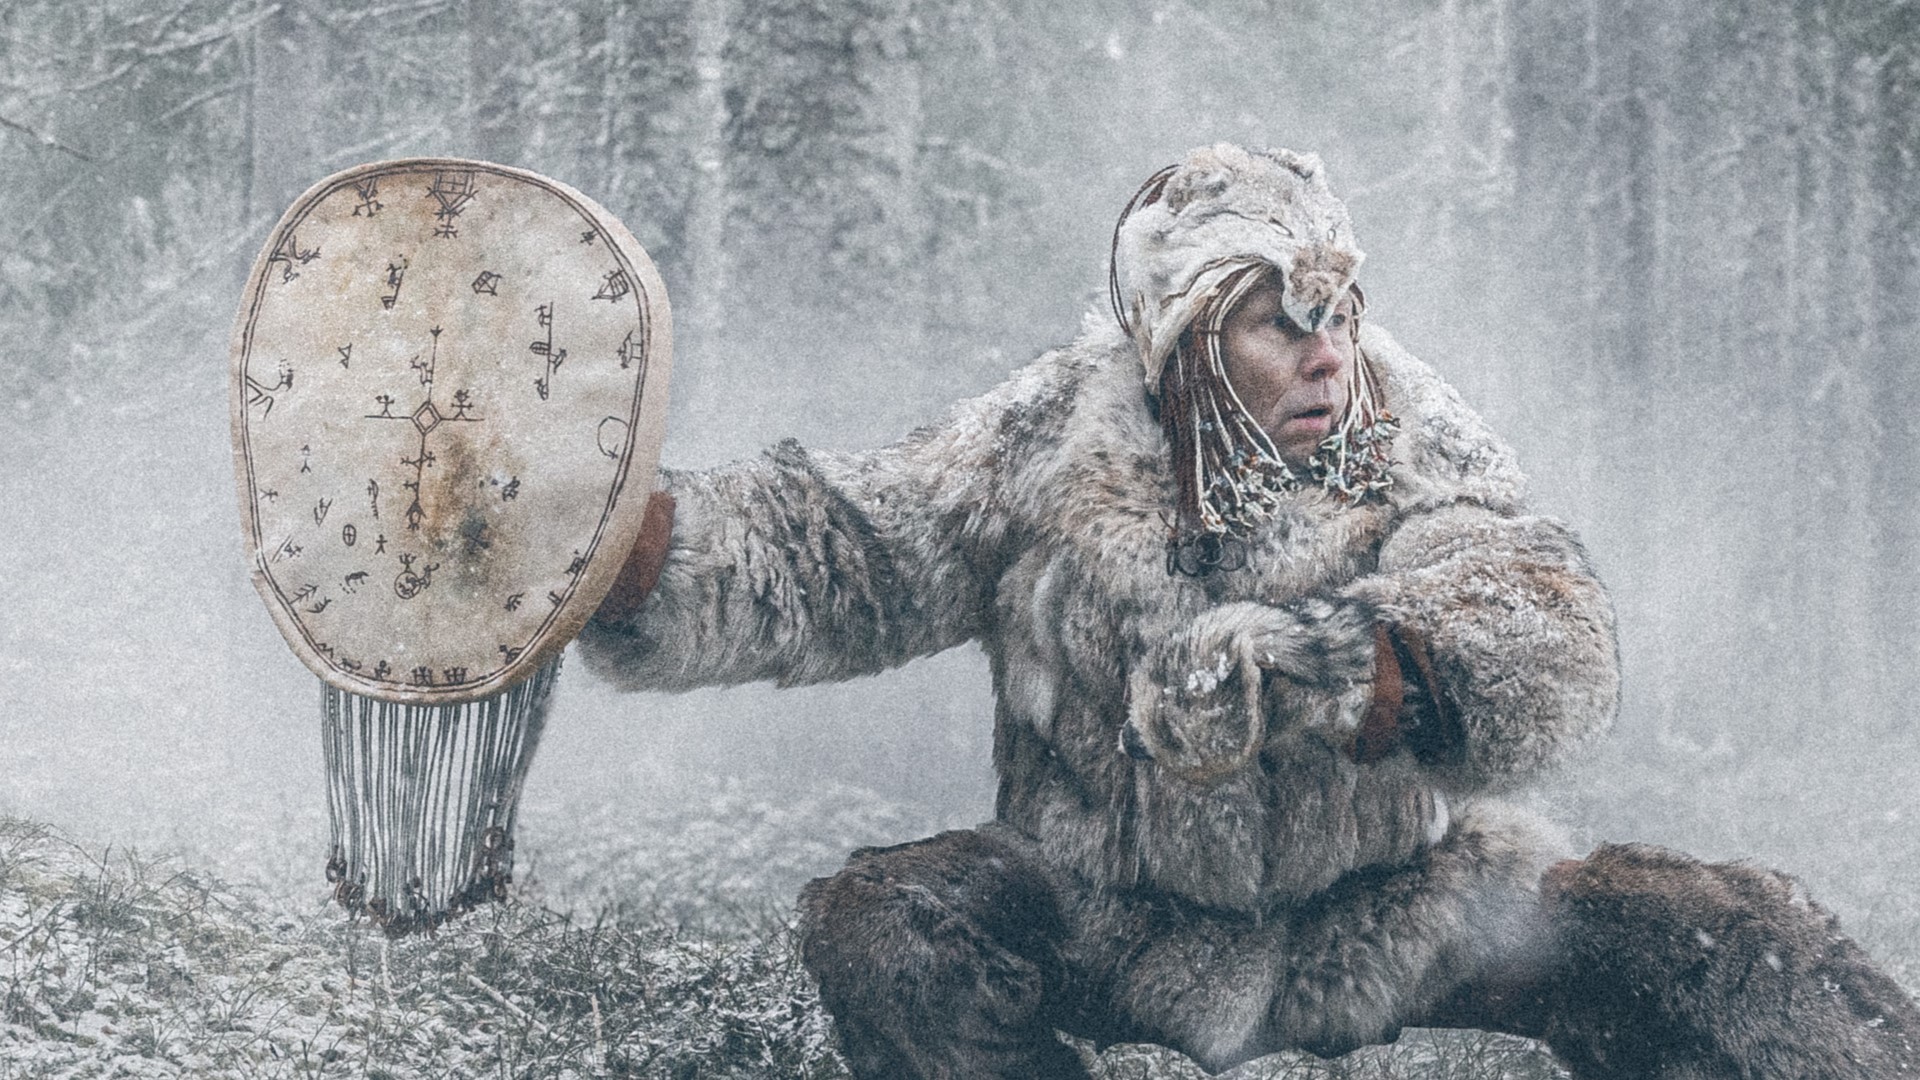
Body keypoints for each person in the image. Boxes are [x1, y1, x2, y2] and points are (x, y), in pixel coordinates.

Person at [577, 144, 1919, 1079]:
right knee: (885, 927)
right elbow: (842, 552)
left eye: (1334, 310)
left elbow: (1540, 617)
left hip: (1405, 914)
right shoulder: (1056, 436)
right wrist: (623, 545)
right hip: (1108, 913)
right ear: (1183, 342)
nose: (1327, 349)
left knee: (1724, 933)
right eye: (1278, 322)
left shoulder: (1399, 422)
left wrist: (1351, 666)